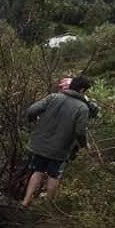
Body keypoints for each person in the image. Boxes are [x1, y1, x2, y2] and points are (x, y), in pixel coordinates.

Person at [21, 74, 92, 207]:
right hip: (60, 148)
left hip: (40, 145)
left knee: (37, 171)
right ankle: (48, 206)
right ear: (82, 90)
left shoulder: (53, 97)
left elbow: (31, 110)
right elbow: (80, 131)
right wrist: (85, 145)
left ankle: (25, 201)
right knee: (54, 176)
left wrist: (35, 120)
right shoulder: (83, 108)